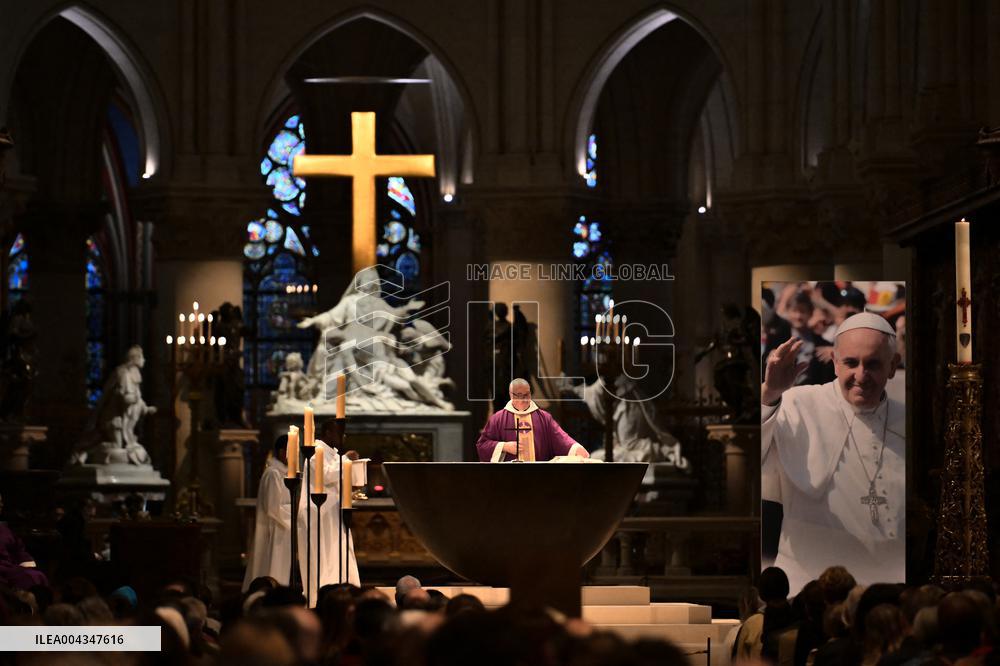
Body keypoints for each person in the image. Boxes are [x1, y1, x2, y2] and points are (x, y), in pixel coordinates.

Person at [762, 312, 904, 595]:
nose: (860, 376)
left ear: (893, 366)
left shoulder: (907, 417)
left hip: (890, 587)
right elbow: (756, 457)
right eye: (851, 363)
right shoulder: (797, 404)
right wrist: (769, 394)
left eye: (873, 364)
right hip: (808, 588)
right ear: (835, 362)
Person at [476, 378, 590, 462]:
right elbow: (482, 445)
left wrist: (576, 448)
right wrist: (504, 446)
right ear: (511, 395)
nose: (524, 399)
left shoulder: (544, 418)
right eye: (519, 395)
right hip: (508, 477)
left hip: (538, 476)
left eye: (527, 394)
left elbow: (560, 438)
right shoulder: (498, 419)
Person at [243, 436, 293, 591]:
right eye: (293, 451)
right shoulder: (273, 474)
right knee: (272, 568)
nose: (295, 456)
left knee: (281, 569)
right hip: (275, 529)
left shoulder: (283, 473)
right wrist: (296, 515)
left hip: (282, 529)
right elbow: (273, 507)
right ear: (282, 452)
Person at [0, 493, 49, 590]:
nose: (1, 505)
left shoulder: (4, 529)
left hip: (10, 568)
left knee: (37, 576)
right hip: (3, 571)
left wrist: (25, 561)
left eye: (1, 502)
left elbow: (18, 549)